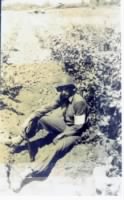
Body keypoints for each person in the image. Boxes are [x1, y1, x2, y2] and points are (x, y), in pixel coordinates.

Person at [9, 75, 88, 192]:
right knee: (40, 118)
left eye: (66, 89)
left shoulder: (79, 102)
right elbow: (47, 108)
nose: (64, 92)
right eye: (61, 89)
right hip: (64, 125)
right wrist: (30, 118)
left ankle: (30, 171)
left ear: (72, 89)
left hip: (74, 132)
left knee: (57, 148)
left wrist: (62, 135)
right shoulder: (62, 96)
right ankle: (20, 139)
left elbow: (79, 126)